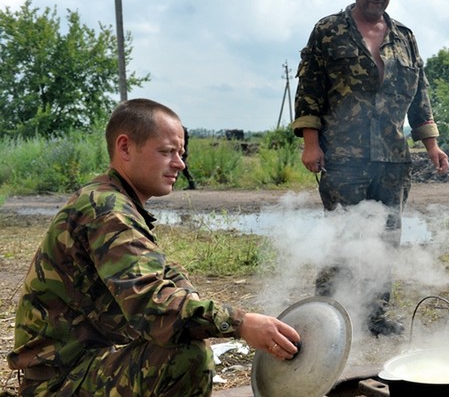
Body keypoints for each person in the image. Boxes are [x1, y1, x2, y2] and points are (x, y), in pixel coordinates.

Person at [7, 99, 301, 396]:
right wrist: (240, 323)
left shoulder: (115, 202)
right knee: (187, 358)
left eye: (181, 153)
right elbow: (151, 308)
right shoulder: (107, 209)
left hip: (83, 366)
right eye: (166, 152)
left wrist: (200, 309)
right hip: (59, 382)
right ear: (125, 148)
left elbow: (165, 278)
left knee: (182, 322)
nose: (180, 164)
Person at [291, 0, 449, 337]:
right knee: (342, 239)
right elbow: (310, 88)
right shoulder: (329, 30)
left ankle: (374, 317)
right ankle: (327, 318)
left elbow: (420, 95)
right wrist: (311, 143)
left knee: (386, 239)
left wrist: (431, 144)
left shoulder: (405, 38)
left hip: (393, 159)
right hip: (344, 157)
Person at [181, 125, 198, 190]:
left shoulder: (182, 131)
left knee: (182, 169)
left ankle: (192, 184)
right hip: (183, 152)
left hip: (181, 152)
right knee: (185, 169)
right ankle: (192, 184)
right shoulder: (183, 131)